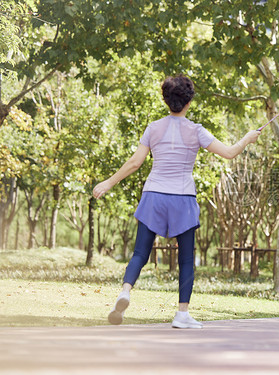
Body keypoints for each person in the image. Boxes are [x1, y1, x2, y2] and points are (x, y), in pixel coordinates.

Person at [93, 74, 261, 329]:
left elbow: (135, 163)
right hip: (182, 198)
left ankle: (126, 290)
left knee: (140, 253)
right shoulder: (196, 131)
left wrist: (108, 182)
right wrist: (247, 138)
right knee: (185, 259)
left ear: (166, 100)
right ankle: (182, 314)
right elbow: (228, 152)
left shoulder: (153, 128)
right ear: (189, 102)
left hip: (154, 195)